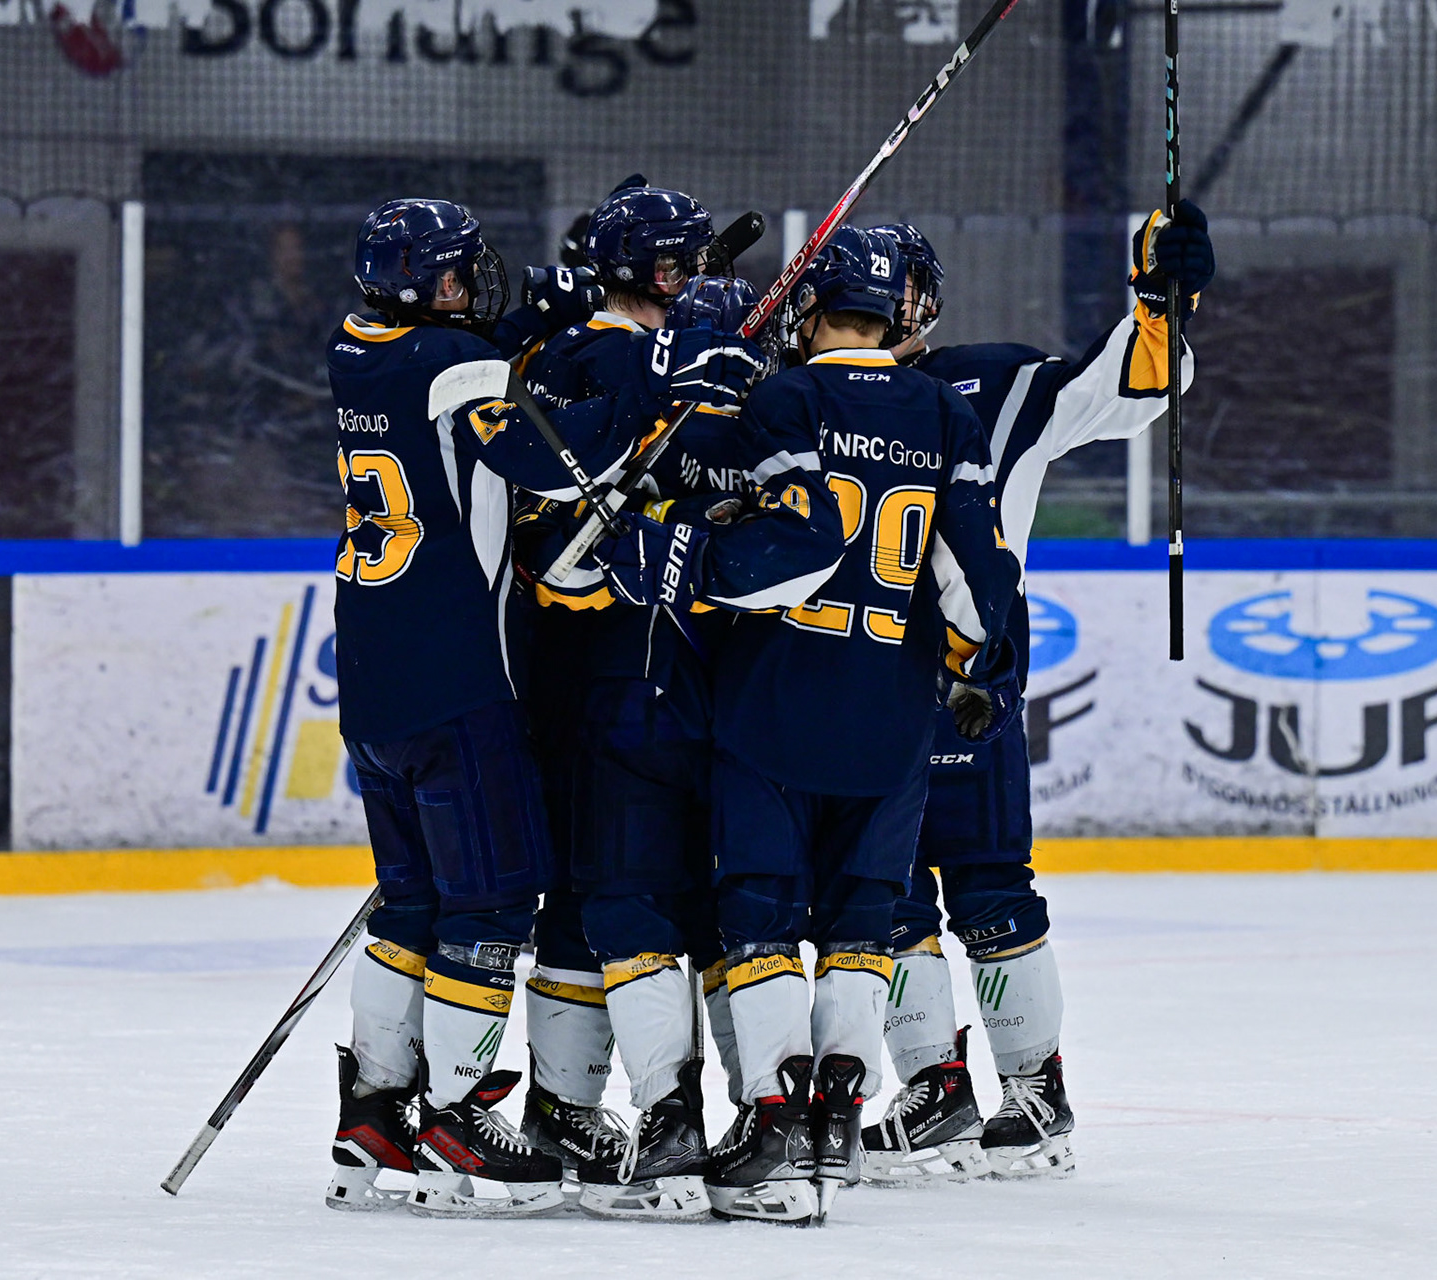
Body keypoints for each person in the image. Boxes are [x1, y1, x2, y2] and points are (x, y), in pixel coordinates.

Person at [320, 196, 751, 1217]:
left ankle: (373, 1110)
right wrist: (665, 386)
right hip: (459, 676)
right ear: (433, 286)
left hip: (372, 680)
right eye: (461, 271)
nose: (478, 282)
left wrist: (533, 323)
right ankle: (455, 1121)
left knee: (411, 903)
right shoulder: (456, 366)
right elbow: (562, 460)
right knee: (493, 902)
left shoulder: (354, 347)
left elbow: (464, 366)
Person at [668, 227, 1025, 1225]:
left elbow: (769, 537)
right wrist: (974, 663)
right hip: (892, 716)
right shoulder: (944, 410)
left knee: (762, 913)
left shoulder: (787, 399)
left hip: (775, 700)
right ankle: (837, 1124)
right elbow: (976, 577)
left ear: (812, 307)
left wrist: (696, 552)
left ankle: (775, 1119)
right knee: (864, 922)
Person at [857, 206, 1215, 1183]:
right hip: (846, 680)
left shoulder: (999, 386)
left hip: (964, 677)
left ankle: (1033, 1089)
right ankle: (934, 1089)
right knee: (880, 895)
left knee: (987, 884)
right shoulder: (796, 392)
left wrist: (1159, 305)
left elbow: (1128, 388)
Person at [507, 186, 760, 1220]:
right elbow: (550, 536)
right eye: (681, 261)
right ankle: (650, 1117)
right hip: (644, 679)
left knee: (623, 898)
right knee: (627, 899)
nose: (693, 274)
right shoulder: (604, 357)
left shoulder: (679, 359)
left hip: (643, 682)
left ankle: (646, 1120)